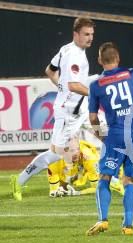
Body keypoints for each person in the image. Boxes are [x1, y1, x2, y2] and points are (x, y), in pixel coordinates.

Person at [10, 17, 96, 201]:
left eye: (92, 34)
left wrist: (61, 86)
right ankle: (19, 180)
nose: (90, 38)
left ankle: (114, 181)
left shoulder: (66, 49)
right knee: (54, 156)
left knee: (107, 131)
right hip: (68, 113)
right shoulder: (73, 54)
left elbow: (50, 70)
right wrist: (91, 93)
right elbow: (73, 85)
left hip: (82, 109)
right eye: (86, 34)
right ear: (76, 34)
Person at [86, 42, 133, 236]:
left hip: (115, 135)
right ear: (118, 58)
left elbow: (93, 118)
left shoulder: (95, 85)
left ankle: (102, 220)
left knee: (105, 177)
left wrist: (102, 137)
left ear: (100, 61)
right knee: (129, 181)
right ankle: (128, 226)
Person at [47, 138, 124, 197]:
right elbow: (53, 190)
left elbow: (97, 187)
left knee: (112, 183)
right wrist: (56, 192)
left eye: (77, 149)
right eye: (72, 150)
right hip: (70, 166)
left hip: (91, 163)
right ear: (64, 151)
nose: (76, 153)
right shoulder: (53, 161)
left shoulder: (90, 158)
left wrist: (77, 193)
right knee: (63, 187)